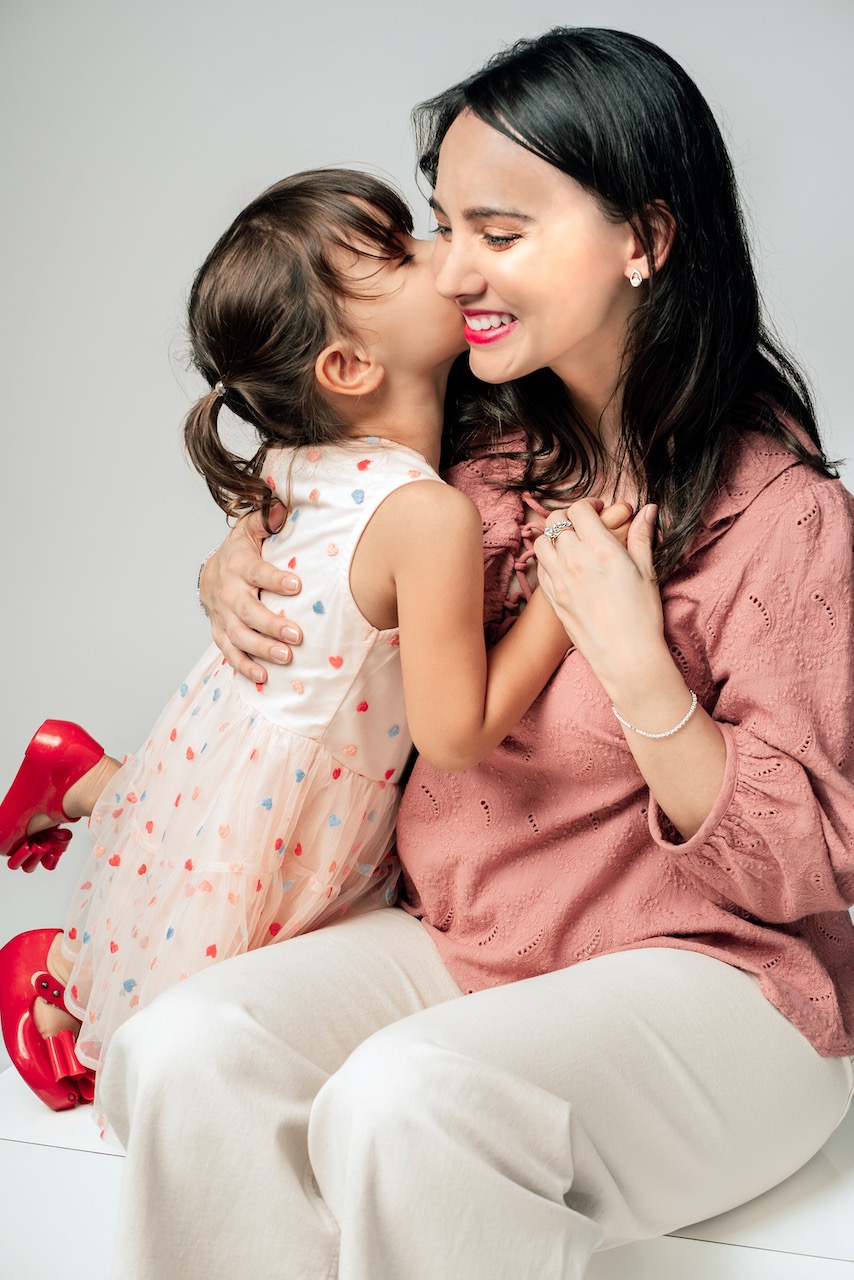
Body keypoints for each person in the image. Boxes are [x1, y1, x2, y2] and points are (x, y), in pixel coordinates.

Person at [97, 27, 853, 1280]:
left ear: (643, 238)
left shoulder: (785, 520)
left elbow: (809, 866)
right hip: (470, 941)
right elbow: (318, 470)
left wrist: (640, 670)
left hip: (722, 985)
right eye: (442, 226)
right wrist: (237, 554)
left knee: (410, 1100)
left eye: (496, 233)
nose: (450, 271)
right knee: (185, 1052)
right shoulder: (469, 442)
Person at [0, 168, 630, 1116]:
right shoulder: (430, 515)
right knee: (209, 1031)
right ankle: (57, 981)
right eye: (406, 251)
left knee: (181, 883)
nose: (447, 255)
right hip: (296, 801)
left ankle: (88, 783)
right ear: (347, 367)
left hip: (238, 748)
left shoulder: (298, 455)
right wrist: (568, 593)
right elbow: (456, 735)